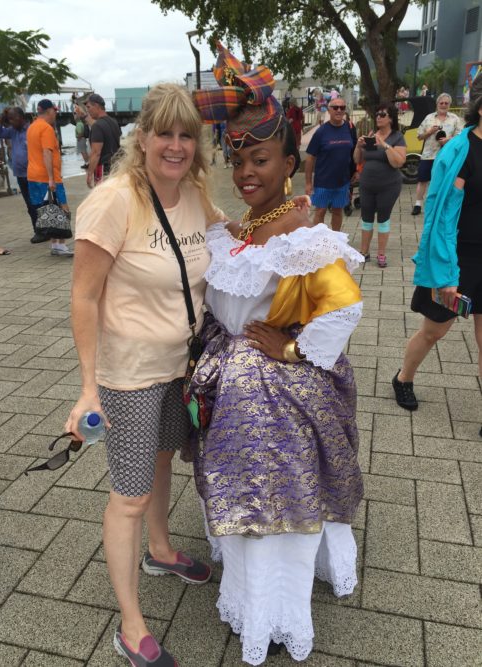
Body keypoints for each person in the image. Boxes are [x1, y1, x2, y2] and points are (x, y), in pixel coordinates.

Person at [193, 44, 364, 666]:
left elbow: (344, 307)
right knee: (238, 475)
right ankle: (248, 591)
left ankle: (273, 611)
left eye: (260, 159)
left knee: (273, 484)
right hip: (234, 375)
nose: (245, 172)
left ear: (291, 161)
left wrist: (293, 348)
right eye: (238, 159)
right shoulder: (241, 225)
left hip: (281, 387)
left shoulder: (301, 231)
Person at [65, 83, 225, 667]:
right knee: (129, 497)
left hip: (180, 368)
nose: (176, 145)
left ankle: (160, 551)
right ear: (143, 137)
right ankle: (131, 626)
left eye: (187, 135)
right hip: (129, 375)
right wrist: (88, 388)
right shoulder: (114, 201)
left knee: (161, 465)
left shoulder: (196, 193)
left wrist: (290, 225)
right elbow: (83, 298)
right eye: (165, 133)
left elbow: (229, 242)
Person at [392, 93, 482, 423]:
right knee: (434, 331)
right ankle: (403, 378)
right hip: (458, 258)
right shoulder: (461, 151)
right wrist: (447, 273)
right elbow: (442, 215)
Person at [353, 102, 406, 268]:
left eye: (382, 115)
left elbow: (399, 162)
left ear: (391, 118)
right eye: (377, 114)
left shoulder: (397, 137)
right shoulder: (371, 134)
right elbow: (357, 160)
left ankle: (381, 254)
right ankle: (364, 252)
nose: (378, 117)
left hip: (388, 185)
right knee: (366, 218)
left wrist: (384, 145)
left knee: (383, 219)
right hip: (367, 184)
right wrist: (358, 146)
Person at [0, 107, 45, 243]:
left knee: (38, 202)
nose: (11, 122)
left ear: (20, 118)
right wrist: (3, 118)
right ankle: (37, 230)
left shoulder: (30, 130)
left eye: (12, 119)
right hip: (20, 174)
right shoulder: (12, 131)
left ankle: (44, 230)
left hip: (33, 173)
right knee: (29, 204)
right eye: (9, 120)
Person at [26, 99, 73, 256]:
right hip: (47, 177)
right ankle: (60, 245)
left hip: (33, 176)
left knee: (47, 210)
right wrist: (52, 178)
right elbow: (47, 152)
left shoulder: (31, 127)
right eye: (55, 111)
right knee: (62, 209)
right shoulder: (46, 128)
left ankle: (54, 244)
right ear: (49, 111)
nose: (56, 114)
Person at [305, 97, 356, 231]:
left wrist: (356, 170)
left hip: (343, 181)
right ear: (329, 110)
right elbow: (310, 157)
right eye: (335, 107)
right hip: (323, 181)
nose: (339, 110)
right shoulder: (321, 131)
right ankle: (318, 240)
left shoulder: (350, 128)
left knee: (338, 211)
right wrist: (308, 183)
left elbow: (354, 151)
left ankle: (336, 238)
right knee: (320, 211)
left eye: (342, 108)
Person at [412, 93, 463, 216]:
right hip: (428, 154)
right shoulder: (429, 118)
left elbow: (460, 136)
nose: (444, 105)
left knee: (445, 180)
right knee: (422, 180)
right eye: (441, 103)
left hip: (447, 156)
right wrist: (429, 131)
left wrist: (448, 140)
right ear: (437, 104)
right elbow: (419, 136)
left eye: (446, 103)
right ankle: (418, 204)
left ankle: (441, 203)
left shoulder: (455, 118)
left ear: (450, 105)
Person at [85, 93, 121, 187]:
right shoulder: (114, 122)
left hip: (104, 169)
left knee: (103, 198)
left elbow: (96, 153)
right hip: (116, 167)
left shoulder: (97, 126)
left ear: (96, 106)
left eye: (89, 107)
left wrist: (89, 173)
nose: (88, 111)